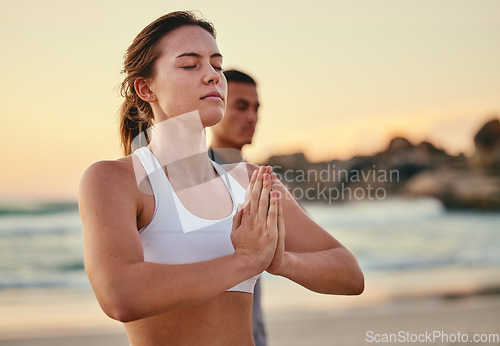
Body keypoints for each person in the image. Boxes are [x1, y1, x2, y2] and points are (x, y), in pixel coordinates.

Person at [79, 11, 364, 346]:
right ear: (146, 88)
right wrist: (245, 260)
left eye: (216, 64)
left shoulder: (249, 180)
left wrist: (282, 261)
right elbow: (120, 295)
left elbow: (349, 274)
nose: (213, 76)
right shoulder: (114, 179)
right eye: (190, 65)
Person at [209, 69, 267, 345]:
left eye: (256, 108)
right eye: (241, 106)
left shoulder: (258, 180)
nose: (252, 117)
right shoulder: (188, 179)